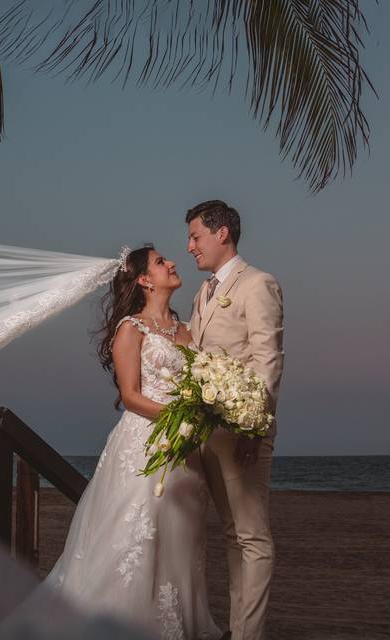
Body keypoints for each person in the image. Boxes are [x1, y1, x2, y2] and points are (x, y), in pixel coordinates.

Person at [45, 245, 221, 640]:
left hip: (186, 453)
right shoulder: (132, 328)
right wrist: (179, 418)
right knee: (139, 536)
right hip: (145, 443)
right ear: (144, 279)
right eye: (161, 262)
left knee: (181, 537)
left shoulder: (187, 329)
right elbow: (130, 395)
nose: (172, 263)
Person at [187, 200, 285, 640]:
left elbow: (268, 360)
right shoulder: (202, 292)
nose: (190, 247)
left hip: (243, 434)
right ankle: (239, 631)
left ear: (221, 233)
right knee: (231, 537)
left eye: (195, 236)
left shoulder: (258, 284)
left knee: (252, 538)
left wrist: (255, 427)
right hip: (208, 435)